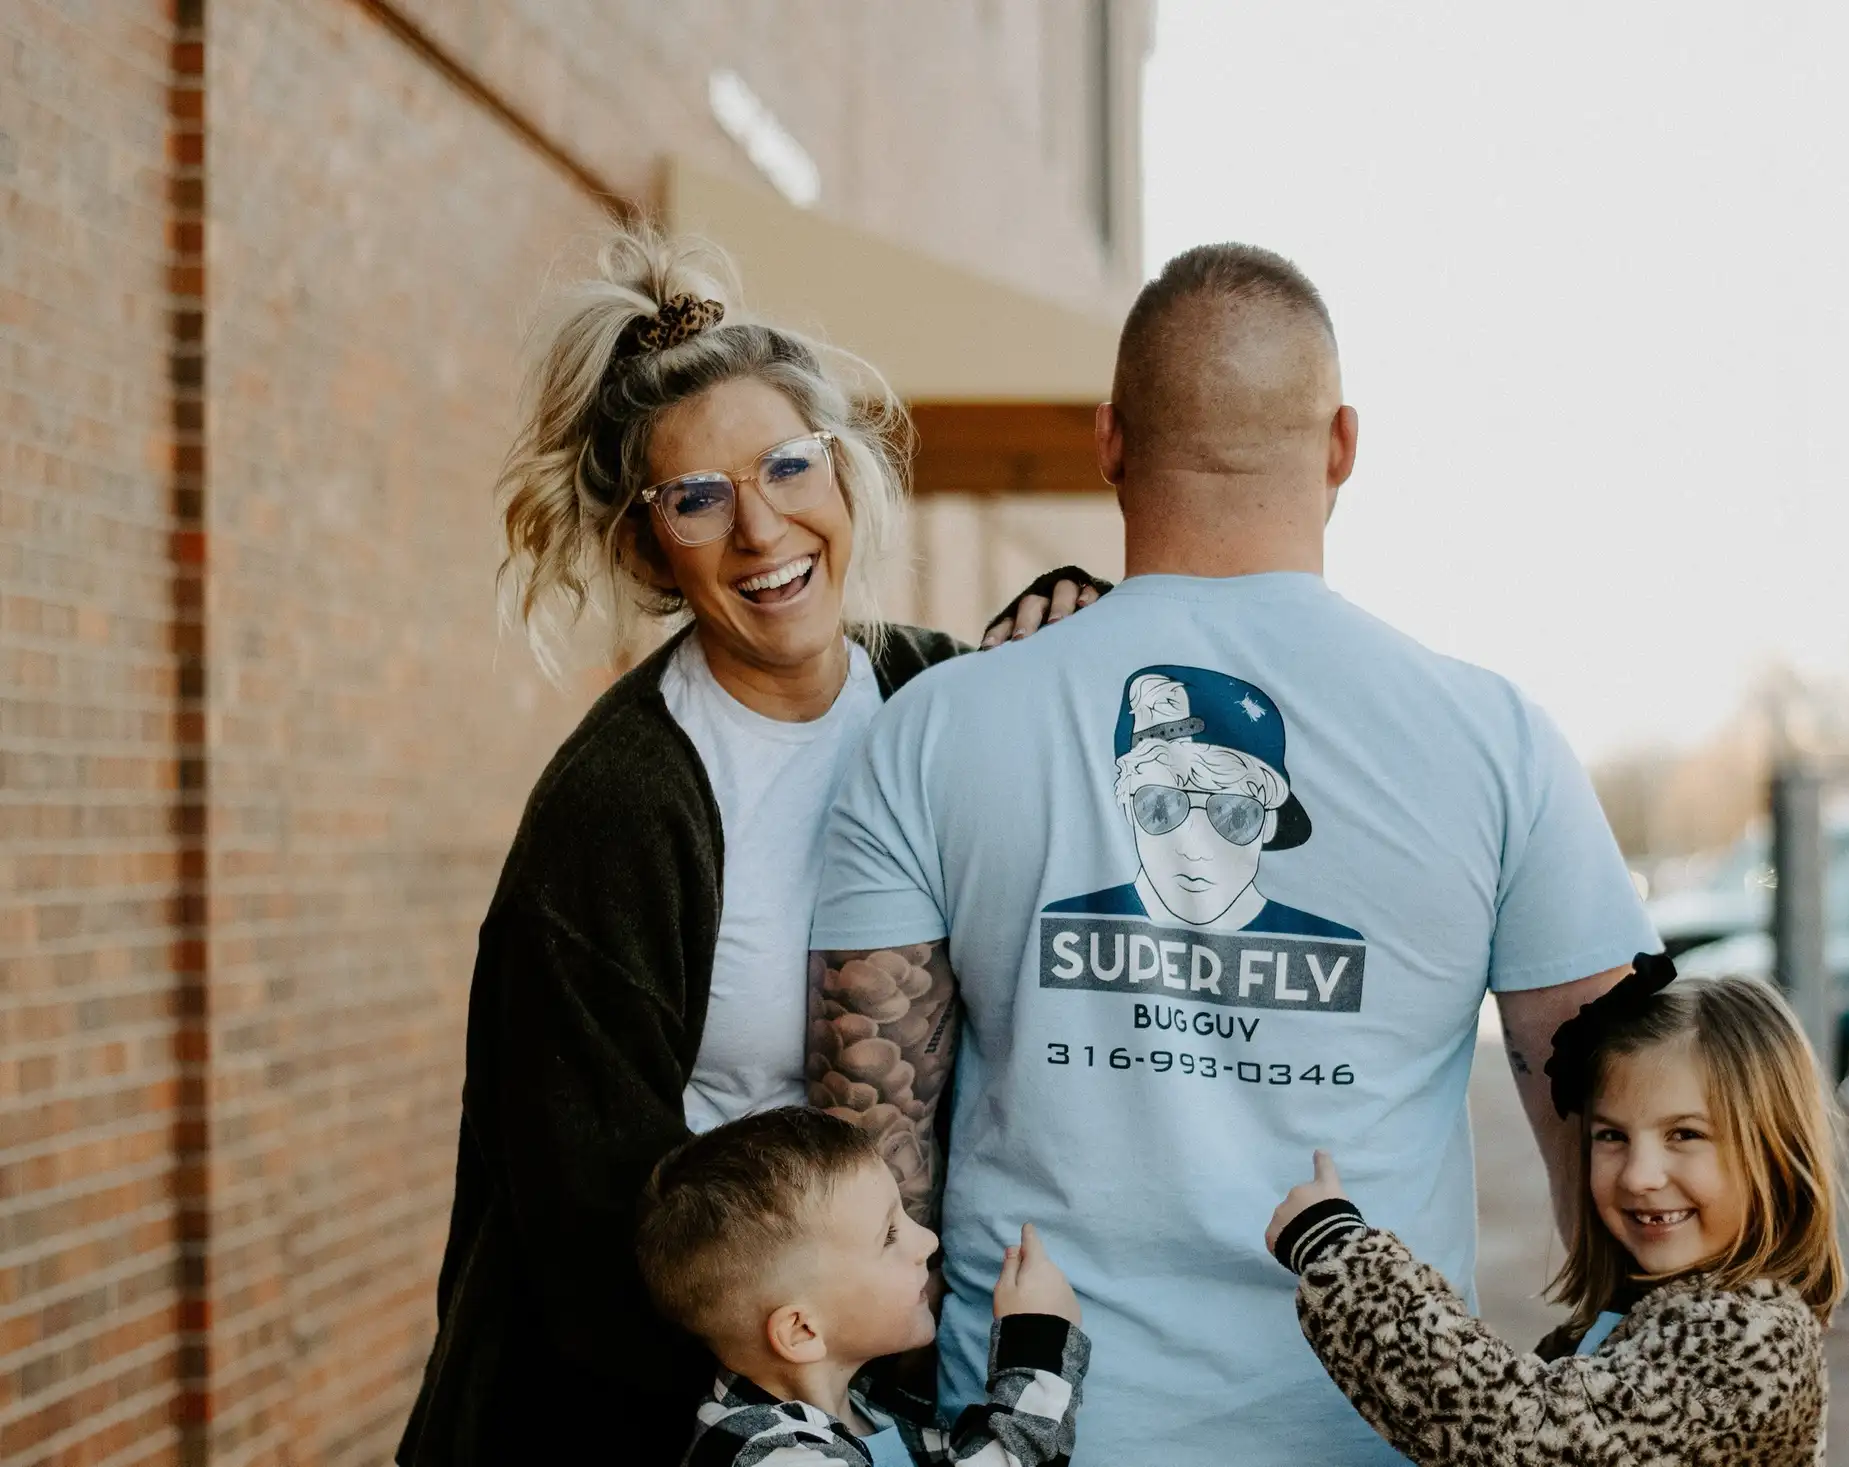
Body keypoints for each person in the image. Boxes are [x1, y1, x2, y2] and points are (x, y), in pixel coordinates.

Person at [806, 242, 1659, 1462]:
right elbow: (1638, 1127)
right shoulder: (1494, 740)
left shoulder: (935, 727)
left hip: (1029, 1429)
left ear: (1109, 441)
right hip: (1372, 1430)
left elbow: (864, 1152)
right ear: (1343, 446)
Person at [398, 228, 1101, 1467]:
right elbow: (588, 1231)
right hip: (659, 1417)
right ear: (644, 544)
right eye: (699, 498)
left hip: (875, 1390)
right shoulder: (617, 811)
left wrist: (1075, 625)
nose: (761, 530)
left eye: (786, 467)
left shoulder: (941, 693)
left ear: (843, 472)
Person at [1265, 964, 1846, 1466]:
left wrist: (1344, 1260)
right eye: (1612, 1136)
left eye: (1685, 1134)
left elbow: (1528, 1438)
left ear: (1775, 1152)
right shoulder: (1643, 1318)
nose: (1639, 1174)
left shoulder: (1750, 1340)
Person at [634, 1108, 1089, 1467]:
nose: (927, 1242)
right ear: (802, 1331)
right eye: (889, 1236)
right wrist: (1038, 1356)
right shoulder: (764, 1453)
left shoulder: (872, 1411)